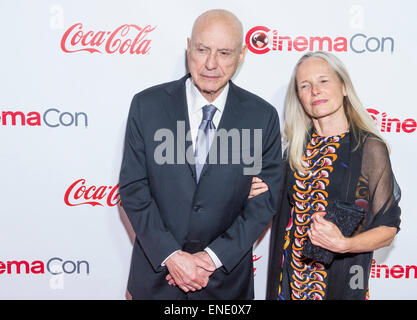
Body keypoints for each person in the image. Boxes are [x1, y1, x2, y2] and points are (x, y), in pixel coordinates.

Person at [119, 9, 282, 300]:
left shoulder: (262, 117)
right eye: (202, 49)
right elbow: (133, 189)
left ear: (242, 55)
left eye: (224, 53)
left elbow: (264, 202)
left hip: (225, 284)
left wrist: (211, 258)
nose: (211, 63)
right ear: (188, 47)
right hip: (156, 279)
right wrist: (171, 255)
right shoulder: (147, 106)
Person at [251, 51, 401, 300]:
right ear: (298, 97)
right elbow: (270, 213)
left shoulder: (368, 148)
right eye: (305, 85)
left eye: (323, 81)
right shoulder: (294, 150)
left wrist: (345, 244)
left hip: (340, 282)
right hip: (287, 283)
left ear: (343, 86)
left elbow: (388, 228)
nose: (315, 91)